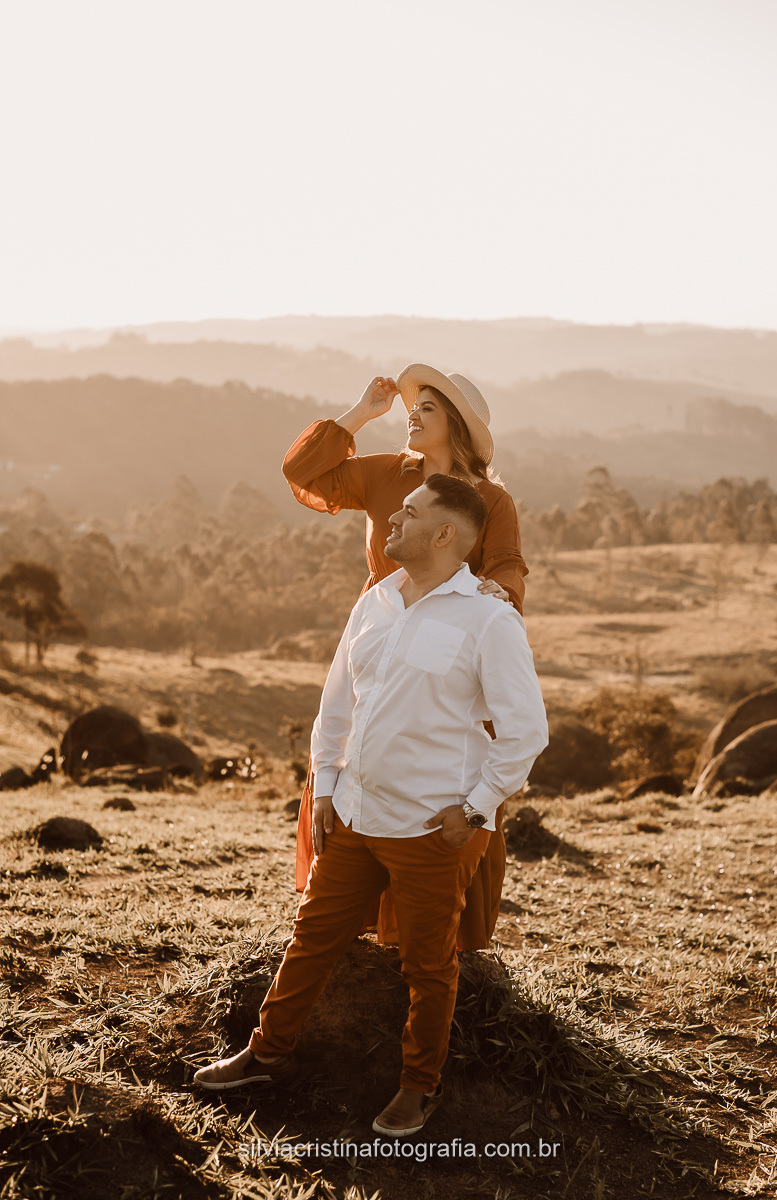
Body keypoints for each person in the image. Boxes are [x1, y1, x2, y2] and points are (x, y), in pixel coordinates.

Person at [194, 474, 548, 1138]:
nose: (391, 520)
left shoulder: (488, 620)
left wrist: (474, 811)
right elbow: (336, 704)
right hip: (354, 814)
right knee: (311, 938)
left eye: (408, 513)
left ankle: (419, 1087)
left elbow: (527, 731)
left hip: (428, 829)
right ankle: (265, 1052)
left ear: (446, 534)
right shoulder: (379, 599)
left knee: (428, 965)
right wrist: (325, 787)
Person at [282, 364, 528, 950]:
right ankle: (349, 914)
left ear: (458, 428)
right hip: (378, 636)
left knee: (438, 777)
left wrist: (501, 592)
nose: (411, 414)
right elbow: (303, 472)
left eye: (428, 409)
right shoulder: (389, 474)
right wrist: (361, 413)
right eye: (410, 408)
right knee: (353, 750)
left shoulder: (491, 500)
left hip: (446, 655)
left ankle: (430, 936)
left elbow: (509, 563)